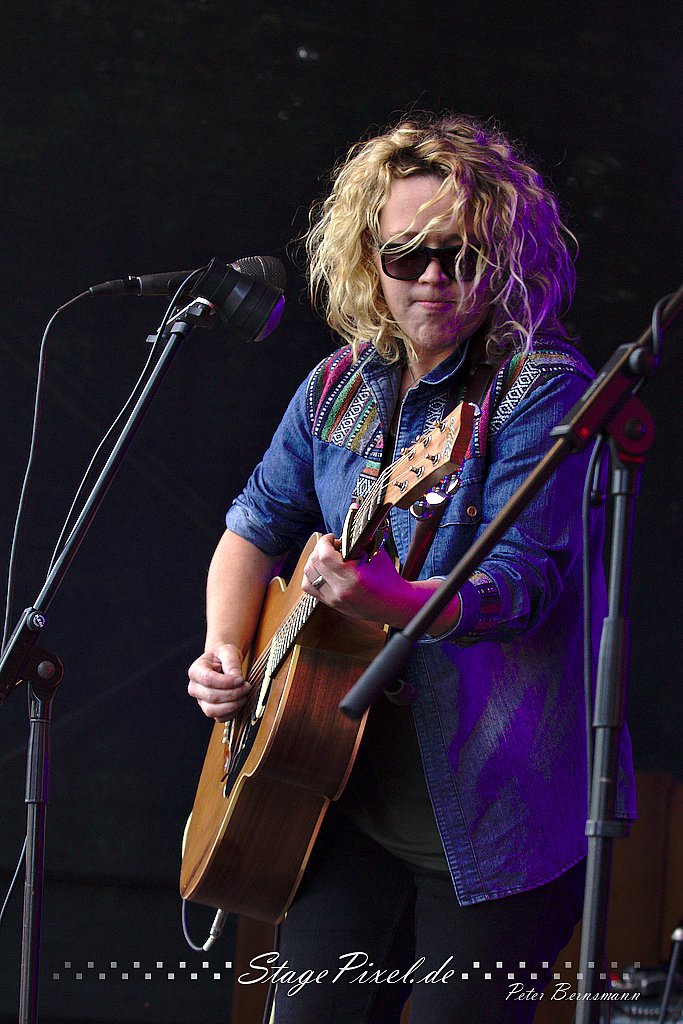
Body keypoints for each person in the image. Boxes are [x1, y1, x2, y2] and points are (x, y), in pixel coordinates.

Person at [187, 113, 636, 1023]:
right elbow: (252, 526)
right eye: (406, 255)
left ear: (504, 261)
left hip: (496, 816)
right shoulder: (337, 385)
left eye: (461, 256)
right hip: (337, 792)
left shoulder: (541, 388)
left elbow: (518, 588)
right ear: (369, 257)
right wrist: (227, 649)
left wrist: (390, 599)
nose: (432, 277)